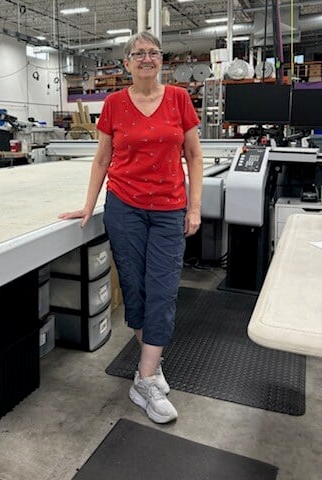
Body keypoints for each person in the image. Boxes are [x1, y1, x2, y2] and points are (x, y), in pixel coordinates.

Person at [59, 31, 203, 424]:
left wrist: (195, 208)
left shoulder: (178, 99)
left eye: (152, 53)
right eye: (138, 53)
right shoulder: (114, 104)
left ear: (162, 60)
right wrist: (88, 206)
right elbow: (102, 158)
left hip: (170, 209)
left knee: (162, 289)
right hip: (124, 208)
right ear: (126, 63)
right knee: (136, 290)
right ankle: (152, 367)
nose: (146, 58)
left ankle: (144, 379)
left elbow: (193, 155)